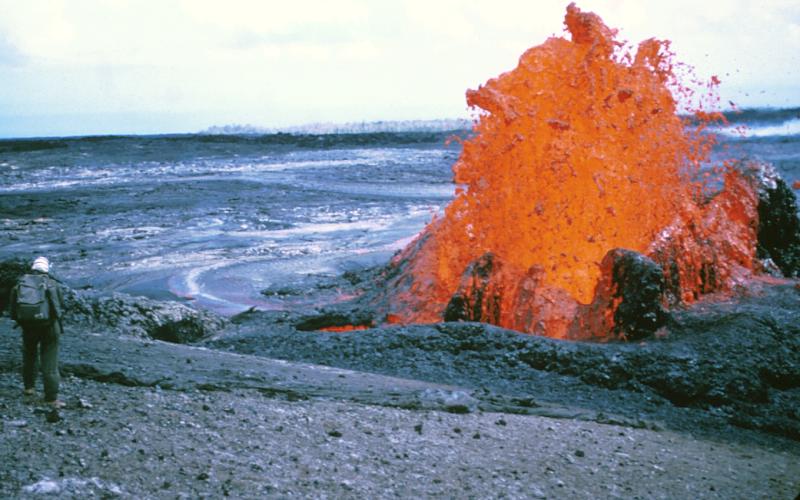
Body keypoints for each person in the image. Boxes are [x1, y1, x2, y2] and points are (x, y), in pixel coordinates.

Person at [9, 256, 65, 408]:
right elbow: (60, 307)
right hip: (49, 328)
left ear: (33, 267)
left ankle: (29, 388)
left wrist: (24, 322)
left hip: (28, 327)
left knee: (29, 356)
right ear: (47, 269)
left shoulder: (20, 284)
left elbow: (13, 312)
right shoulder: (52, 284)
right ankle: (51, 398)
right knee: (50, 363)